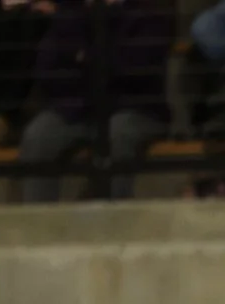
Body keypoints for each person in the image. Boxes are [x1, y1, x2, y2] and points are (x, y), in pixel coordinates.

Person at [16, 0, 173, 203]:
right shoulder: (70, 19)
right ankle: (39, 219)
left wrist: (84, 58)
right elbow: (46, 72)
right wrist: (95, 65)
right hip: (79, 109)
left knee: (118, 132)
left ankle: (114, 216)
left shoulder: (147, 17)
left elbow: (136, 72)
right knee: (38, 135)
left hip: (135, 110)